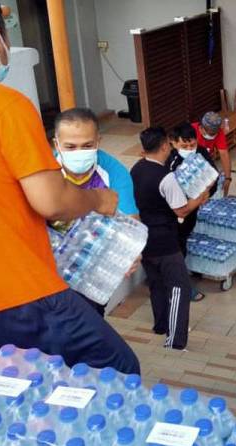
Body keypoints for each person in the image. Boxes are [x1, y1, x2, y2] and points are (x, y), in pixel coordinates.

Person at [0, 0, 139, 373]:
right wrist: (98, 199)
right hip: (21, 289)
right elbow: (52, 201)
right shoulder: (2, 105)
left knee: (33, 374)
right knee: (118, 368)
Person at [52, 107, 141, 316]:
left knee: (91, 318)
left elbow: (130, 225)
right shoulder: (44, 173)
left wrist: (131, 253)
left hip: (92, 269)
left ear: (98, 142)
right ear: (57, 144)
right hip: (50, 270)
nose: (79, 153)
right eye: (70, 147)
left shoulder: (113, 172)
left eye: (87, 145)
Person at [131, 127, 209, 349]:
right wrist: (200, 198)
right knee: (179, 287)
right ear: (165, 146)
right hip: (165, 240)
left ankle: (161, 325)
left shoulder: (136, 169)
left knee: (156, 283)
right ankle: (175, 340)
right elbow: (181, 210)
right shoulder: (165, 177)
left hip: (144, 237)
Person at [168, 123, 218, 301]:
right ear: (174, 143)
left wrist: (206, 194)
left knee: (183, 242)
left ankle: (181, 277)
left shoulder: (201, 153)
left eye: (192, 145)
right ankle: (182, 286)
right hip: (176, 213)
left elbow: (213, 175)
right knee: (176, 249)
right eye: (184, 146)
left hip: (193, 211)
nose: (189, 150)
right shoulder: (170, 162)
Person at [191, 111, 232, 195]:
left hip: (206, 165)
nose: (213, 135)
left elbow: (224, 154)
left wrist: (228, 178)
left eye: (215, 133)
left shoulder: (219, 133)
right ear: (201, 128)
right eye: (211, 133)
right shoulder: (191, 130)